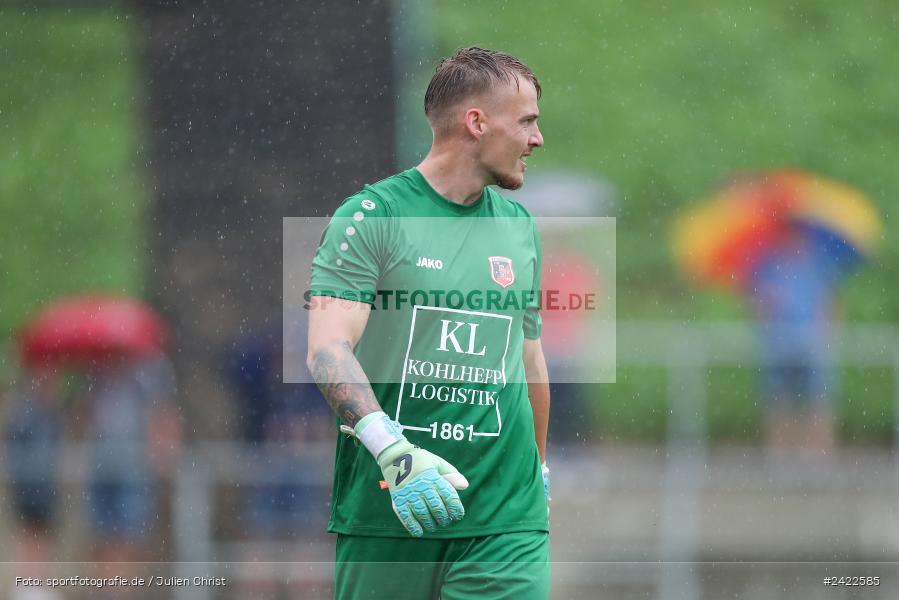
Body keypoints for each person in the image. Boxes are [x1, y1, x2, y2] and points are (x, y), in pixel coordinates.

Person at [307, 47, 551, 599]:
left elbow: (528, 359)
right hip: (389, 508)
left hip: (505, 518)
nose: (537, 139)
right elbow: (327, 351)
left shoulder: (518, 226)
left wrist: (537, 472)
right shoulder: (372, 218)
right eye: (527, 122)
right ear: (476, 122)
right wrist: (393, 454)